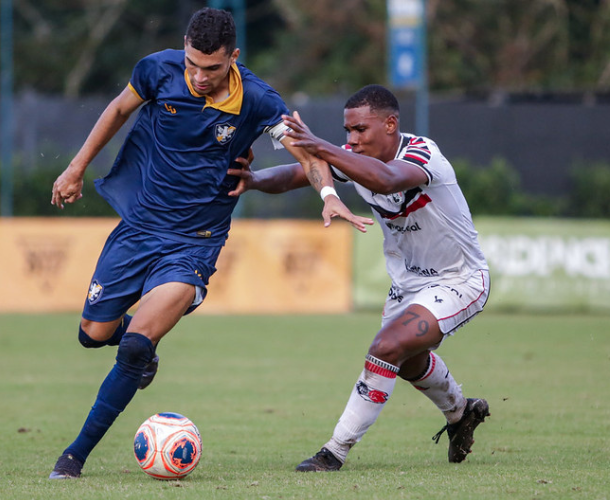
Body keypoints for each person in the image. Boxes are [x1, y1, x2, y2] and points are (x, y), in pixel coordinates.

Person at [47, 7, 372, 479]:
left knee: (135, 346)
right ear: (183, 48)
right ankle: (142, 357)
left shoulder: (258, 99)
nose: (199, 76)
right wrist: (76, 167)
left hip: (195, 244)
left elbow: (307, 153)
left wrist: (327, 194)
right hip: (138, 228)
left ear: (234, 58)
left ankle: (73, 458)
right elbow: (118, 109)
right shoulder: (157, 69)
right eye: (192, 64)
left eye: (212, 68)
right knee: (92, 335)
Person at [227, 84, 491, 470]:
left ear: (390, 124)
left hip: (460, 278)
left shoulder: (423, 154)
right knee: (407, 361)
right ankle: (461, 413)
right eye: (347, 131)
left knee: (386, 347)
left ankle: (333, 452)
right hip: (408, 283)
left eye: (360, 130)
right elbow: (296, 173)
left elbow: (384, 179)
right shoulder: (353, 156)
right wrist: (254, 180)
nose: (351, 139)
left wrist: (318, 144)